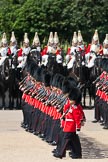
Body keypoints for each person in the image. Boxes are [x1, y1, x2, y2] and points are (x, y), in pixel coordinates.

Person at [53, 87, 85, 159]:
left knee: (65, 140)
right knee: (75, 142)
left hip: (70, 127)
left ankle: (61, 153)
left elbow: (77, 120)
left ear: (74, 100)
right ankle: (77, 154)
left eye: (70, 99)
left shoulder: (75, 108)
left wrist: (78, 128)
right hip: (68, 126)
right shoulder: (71, 107)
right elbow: (66, 109)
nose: (69, 100)